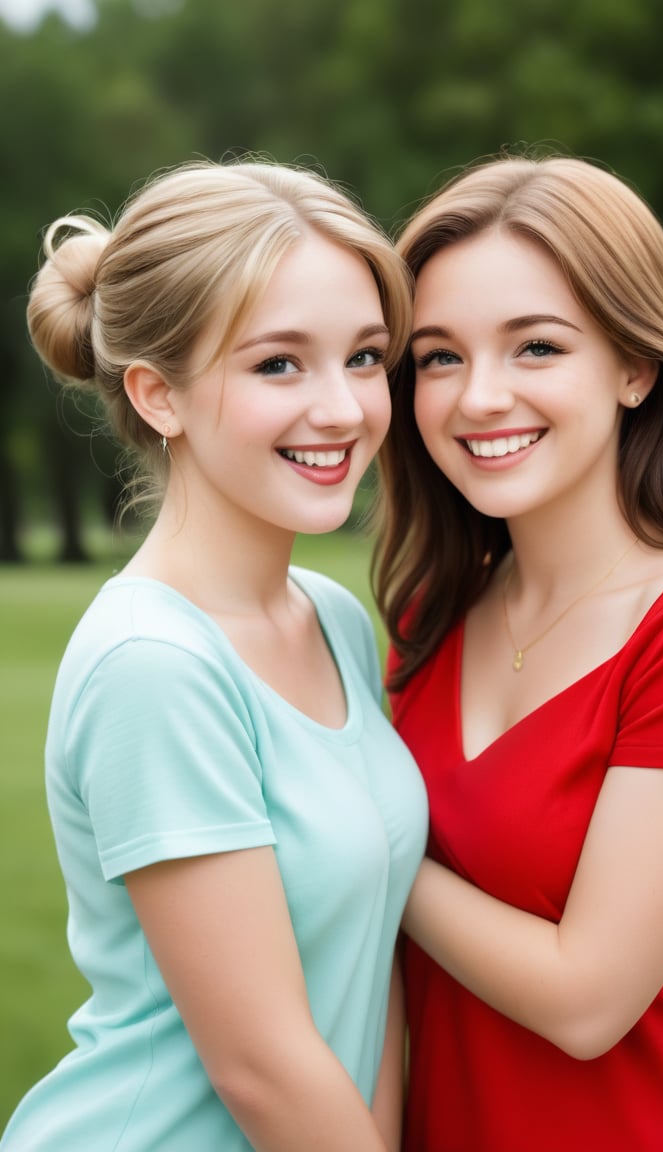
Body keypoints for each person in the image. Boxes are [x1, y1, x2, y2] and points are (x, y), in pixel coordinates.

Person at [1, 158, 428, 1152]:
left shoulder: (334, 619)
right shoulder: (154, 665)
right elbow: (265, 1068)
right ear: (158, 394)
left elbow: (371, 957)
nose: (342, 409)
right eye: (279, 364)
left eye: (365, 357)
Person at [373, 154, 663, 1151]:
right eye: (439, 357)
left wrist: (354, 839)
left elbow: (587, 999)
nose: (478, 398)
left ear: (635, 366)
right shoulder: (430, 612)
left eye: (537, 347)